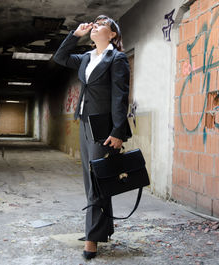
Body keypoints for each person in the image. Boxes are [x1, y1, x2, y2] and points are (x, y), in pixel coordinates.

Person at [53, 15, 130, 259]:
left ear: (113, 35)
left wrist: (118, 131)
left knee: (96, 182)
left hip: (103, 127)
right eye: (94, 24)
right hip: (85, 122)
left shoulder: (117, 58)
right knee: (94, 179)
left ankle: (92, 238)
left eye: (102, 25)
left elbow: (120, 97)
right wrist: (75, 35)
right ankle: (103, 228)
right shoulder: (86, 57)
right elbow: (60, 57)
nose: (95, 26)